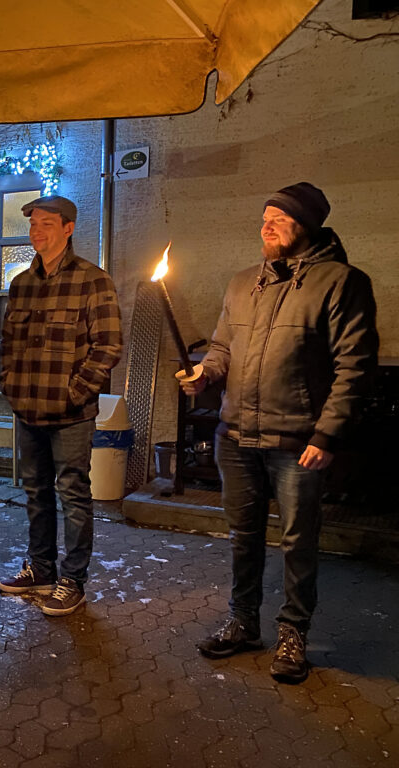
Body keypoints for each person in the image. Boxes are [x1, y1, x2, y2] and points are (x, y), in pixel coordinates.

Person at [180, 182, 378, 684]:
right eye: (264, 216)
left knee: (297, 541)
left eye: (279, 218)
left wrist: (326, 435)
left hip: (298, 441)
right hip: (237, 436)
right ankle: (244, 621)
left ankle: (293, 632)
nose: (266, 225)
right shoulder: (244, 282)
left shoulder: (341, 282)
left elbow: (354, 367)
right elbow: (222, 348)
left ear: (305, 226)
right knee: (244, 537)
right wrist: (205, 373)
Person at [0, 195, 122, 617]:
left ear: (68, 228)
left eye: (47, 223)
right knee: (35, 493)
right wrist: (9, 386)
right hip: (28, 410)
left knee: (73, 494)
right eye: (33, 224)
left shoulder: (93, 281)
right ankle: (41, 568)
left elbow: (108, 346)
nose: (37, 231)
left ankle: (73, 579)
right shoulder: (22, 284)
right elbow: (8, 344)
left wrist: (76, 392)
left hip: (70, 414)